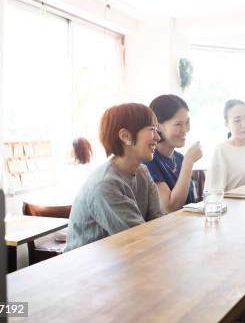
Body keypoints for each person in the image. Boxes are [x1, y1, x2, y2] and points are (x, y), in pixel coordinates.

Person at [66, 103, 163, 251]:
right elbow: (138, 237)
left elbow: (158, 220)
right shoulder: (105, 184)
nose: (157, 137)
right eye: (152, 130)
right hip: (88, 269)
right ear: (125, 136)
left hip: (122, 259)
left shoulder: (142, 171)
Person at [144, 94, 202, 212]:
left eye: (187, 122)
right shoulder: (149, 161)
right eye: (178, 124)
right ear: (158, 126)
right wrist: (189, 162)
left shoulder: (179, 158)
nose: (185, 130)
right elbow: (170, 208)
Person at [210, 99, 245, 191]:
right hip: (231, 204)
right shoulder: (221, 150)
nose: (244, 124)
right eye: (237, 120)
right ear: (227, 124)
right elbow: (213, 192)